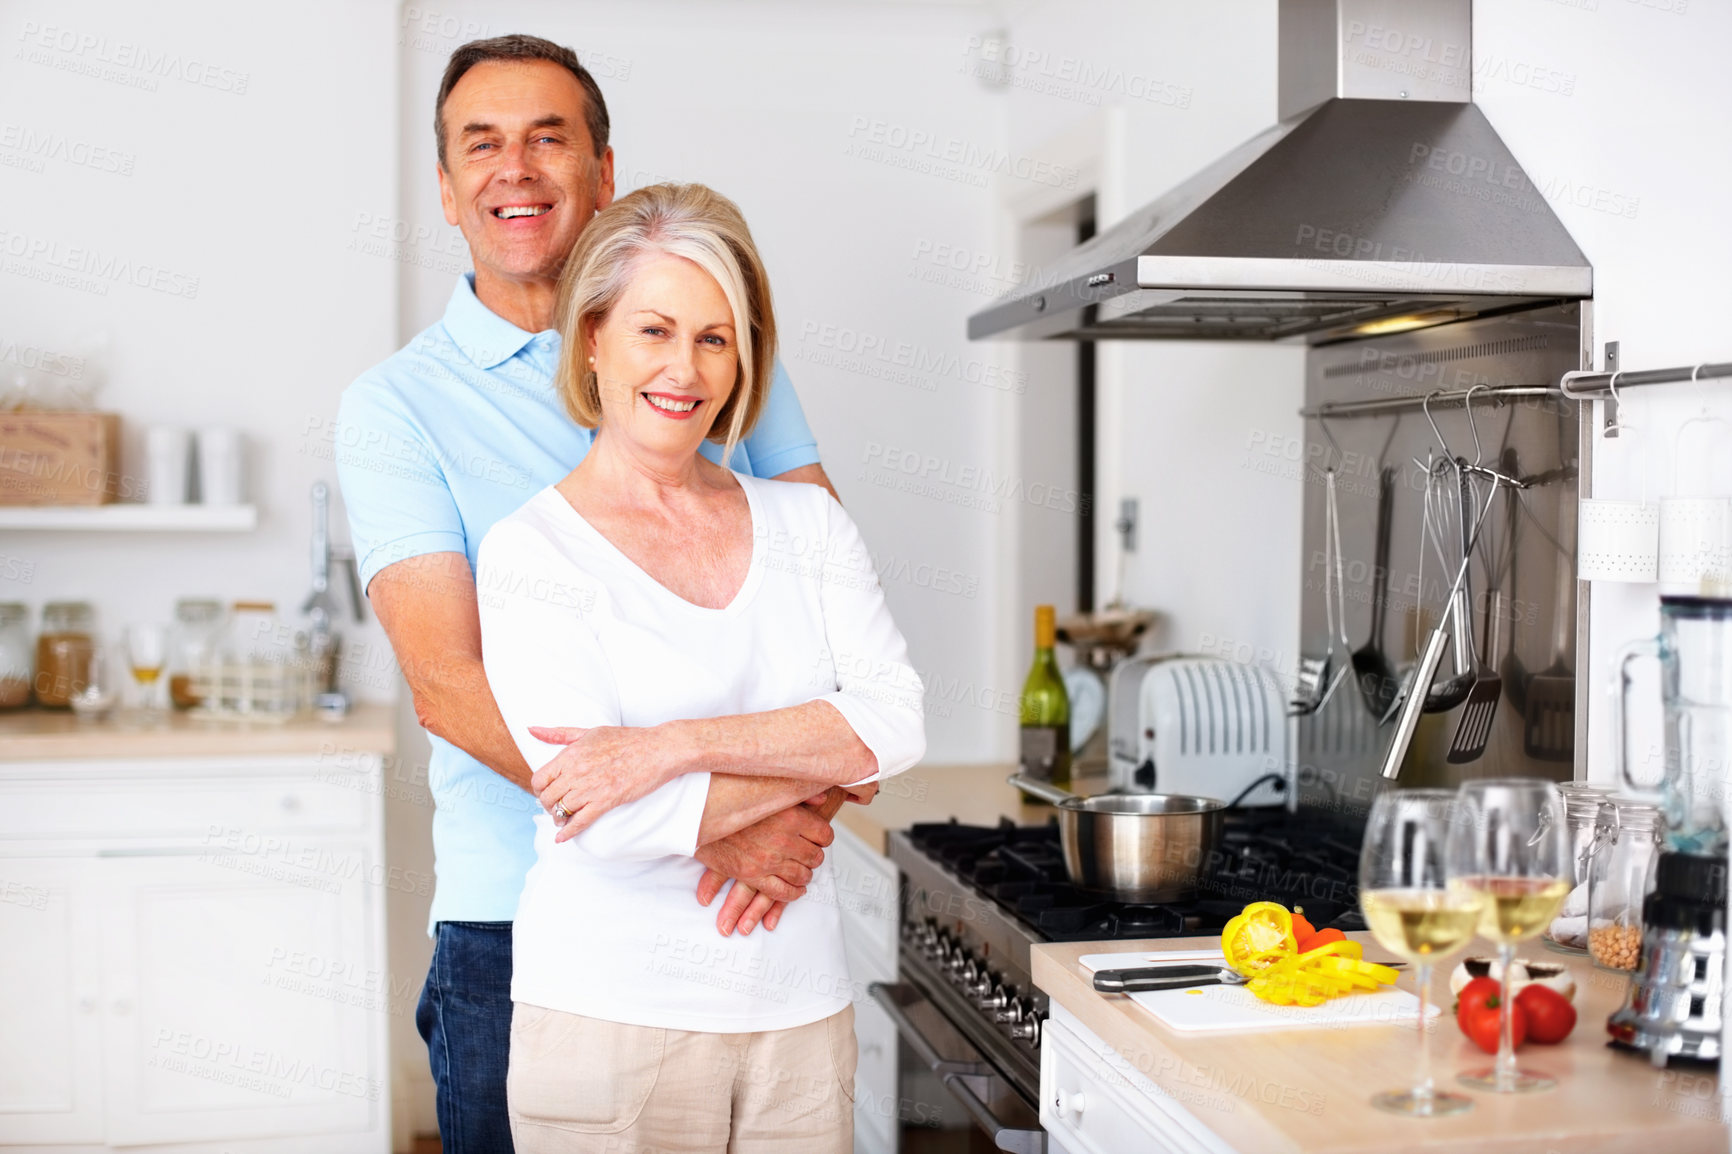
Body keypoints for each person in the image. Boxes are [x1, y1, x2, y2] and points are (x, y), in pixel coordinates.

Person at [335, 35, 846, 1153]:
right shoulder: (397, 408)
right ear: (447, 187)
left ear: (604, 173)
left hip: (747, 915)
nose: (513, 168)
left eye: (547, 137)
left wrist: (795, 809)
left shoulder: (711, 352)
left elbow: (833, 612)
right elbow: (448, 682)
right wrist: (707, 826)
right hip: (520, 925)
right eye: (483, 143)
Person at [477, 180, 924, 1154]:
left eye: (715, 337)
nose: (685, 367)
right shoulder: (532, 553)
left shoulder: (808, 525)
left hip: (797, 1014)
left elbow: (894, 720)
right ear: (592, 335)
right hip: (609, 1019)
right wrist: (802, 771)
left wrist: (668, 746)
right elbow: (602, 810)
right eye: (655, 330)